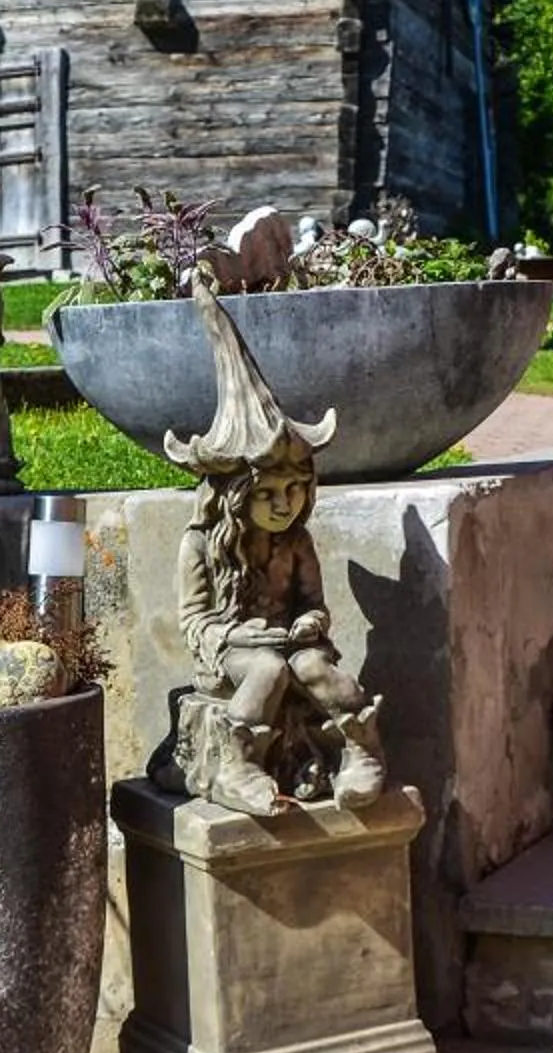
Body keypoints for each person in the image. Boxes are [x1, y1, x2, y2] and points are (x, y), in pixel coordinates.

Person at [165, 265, 387, 816]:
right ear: (234, 497)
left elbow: (314, 604)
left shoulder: (296, 542)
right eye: (268, 494)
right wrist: (235, 635)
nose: (285, 504)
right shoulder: (200, 546)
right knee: (268, 670)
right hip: (234, 655)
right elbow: (193, 619)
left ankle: (361, 750)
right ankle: (239, 764)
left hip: (291, 642)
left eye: (295, 489)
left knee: (312, 668)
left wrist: (308, 623)